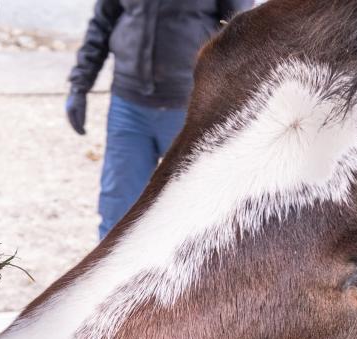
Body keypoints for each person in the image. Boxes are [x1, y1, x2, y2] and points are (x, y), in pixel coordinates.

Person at [66, 0, 252, 240]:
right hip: (128, 107)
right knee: (117, 211)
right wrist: (80, 85)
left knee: (196, 214)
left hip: (191, 108)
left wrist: (238, 102)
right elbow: (103, 21)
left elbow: (241, 30)